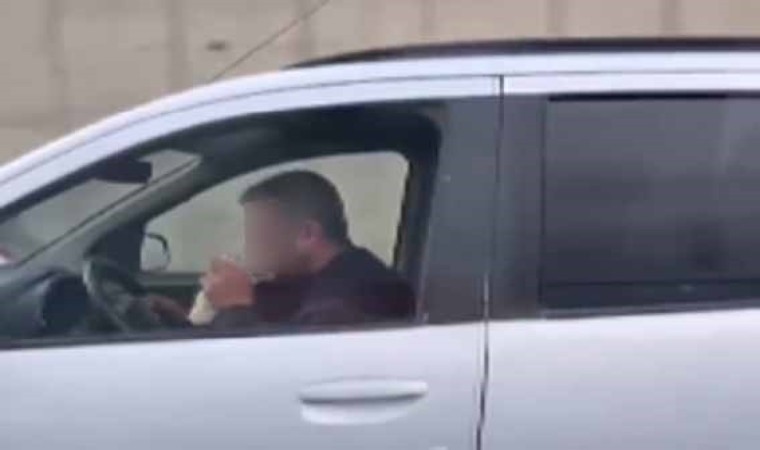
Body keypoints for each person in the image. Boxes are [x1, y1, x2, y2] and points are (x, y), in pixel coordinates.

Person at [154, 171, 414, 329]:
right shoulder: (320, 278)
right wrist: (180, 323)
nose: (248, 245)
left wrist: (235, 306)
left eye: (257, 232)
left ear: (306, 234)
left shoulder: (348, 300)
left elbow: (276, 369)